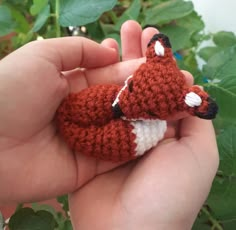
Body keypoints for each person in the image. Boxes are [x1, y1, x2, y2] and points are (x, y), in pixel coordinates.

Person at [0, 20, 219, 229]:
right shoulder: (114, 97)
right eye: (132, 86)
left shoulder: (157, 122)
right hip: (85, 119)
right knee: (104, 103)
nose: (124, 103)